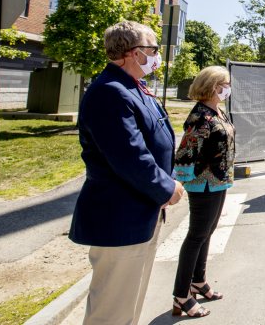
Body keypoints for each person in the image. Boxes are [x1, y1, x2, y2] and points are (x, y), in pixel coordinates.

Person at [69, 21, 184, 325]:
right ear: (134, 53)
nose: (158, 56)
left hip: (140, 212)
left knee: (129, 303)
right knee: (112, 311)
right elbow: (129, 156)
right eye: (153, 49)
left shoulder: (132, 88)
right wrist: (167, 188)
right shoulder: (110, 92)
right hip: (121, 216)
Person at [171, 66, 236, 318]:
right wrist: (181, 183)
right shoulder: (201, 116)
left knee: (207, 233)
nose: (227, 88)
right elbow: (186, 153)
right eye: (224, 84)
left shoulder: (216, 111)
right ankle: (181, 295)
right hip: (203, 183)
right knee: (196, 236)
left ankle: (199, 281)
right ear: (212, 85)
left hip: (219, 180)